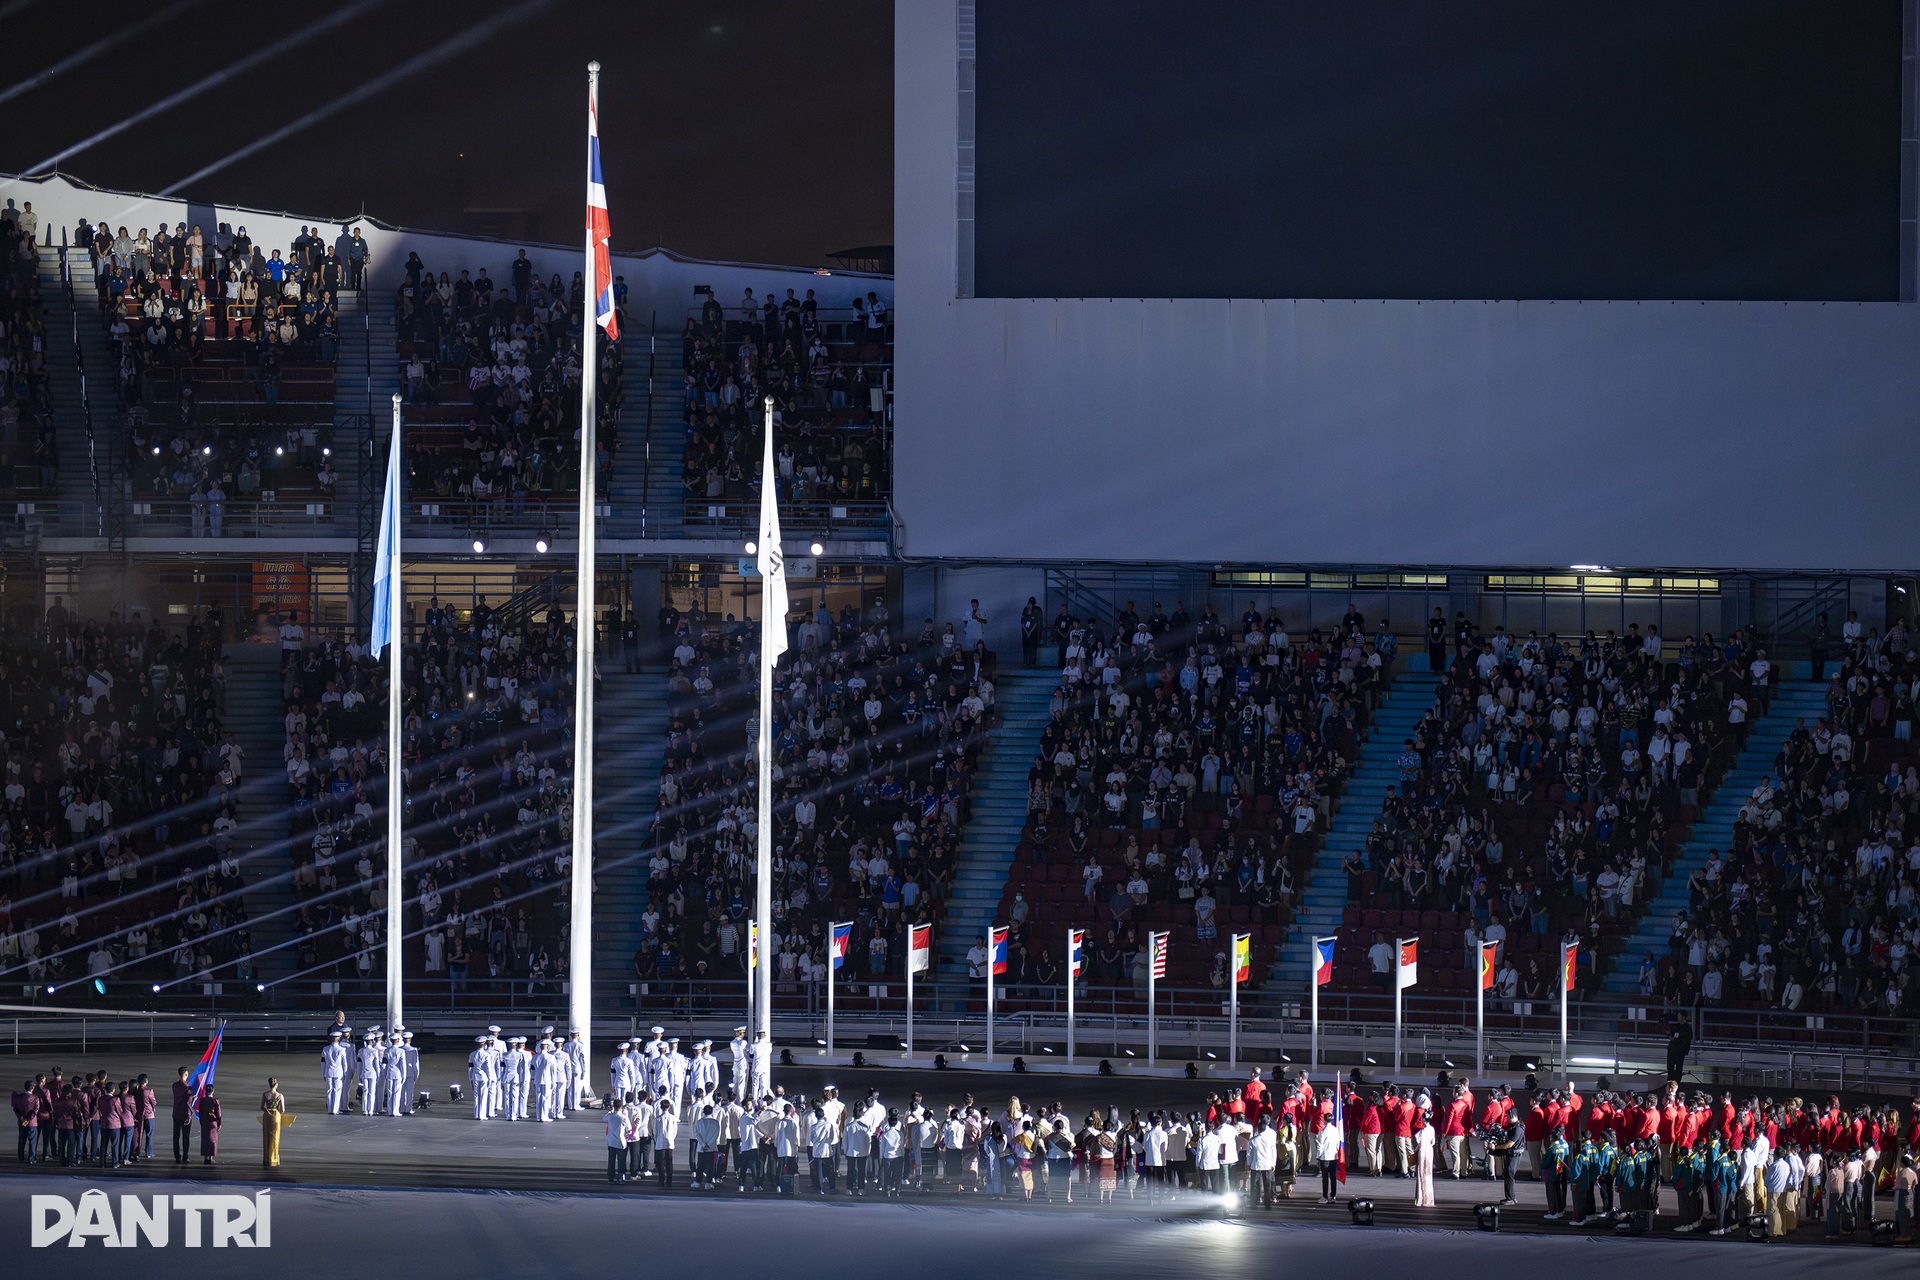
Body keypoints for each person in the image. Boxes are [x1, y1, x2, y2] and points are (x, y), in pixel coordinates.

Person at [259, 1078, 293, 1168]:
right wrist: (277, 1114)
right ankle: (274, 1159)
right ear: (276, 1085)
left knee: (267, 1137)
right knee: (275, 1138)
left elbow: (261, 1107)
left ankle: (267, 1159)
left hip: (267, 1116)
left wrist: (268, 1111)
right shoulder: (280, 1095)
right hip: (276, 1117)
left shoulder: (265, 1094)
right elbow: (283, 1109)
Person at [1313, 1104, 1342, 1203]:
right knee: (1333, 1177)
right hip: (1334, 1156)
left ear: (1324, 1120)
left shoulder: (1322, 1132)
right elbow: (1338, 1142)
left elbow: (1320, 1145)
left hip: (1325, 1156)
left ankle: (1325, 1196)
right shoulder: (1335, 1130)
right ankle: (1333, 1196)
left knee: (1325, 1178)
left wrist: (1318, 1156)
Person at [320, 1031, 349, 1114]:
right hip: (338, 1072)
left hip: (328, 1072)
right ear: (339, 1038)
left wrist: (323, 1073)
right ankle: (335, 1109)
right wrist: (345, 1072)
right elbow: (344, 1063)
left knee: (329, 1090)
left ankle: (330, 1109)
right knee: (337, 1090)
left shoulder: (326, 1049)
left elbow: (323, 1062)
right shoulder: (342, 1049)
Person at [171, 1067, 195, 1164]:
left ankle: (177, 1156)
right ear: (186, 1074)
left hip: (176, 1113)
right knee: (186, 1137)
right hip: (185, 1114)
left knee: (176, 1137)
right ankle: (185, 1156)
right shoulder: (187, 1087)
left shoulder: (175, 1085)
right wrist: (189, 1115)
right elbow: (187, 1103)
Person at [1413, 1110, 1437, 1207]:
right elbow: (1433, 1142)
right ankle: (1429, 1198)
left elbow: (1418, 1142)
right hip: (1429, 1152)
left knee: (1421, 1174)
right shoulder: (1432, 1129)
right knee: (1428, 1175)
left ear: (1423, 1119)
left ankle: (1421, 1198)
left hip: (1423, 1153)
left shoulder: (1421, 1132)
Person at [198, 1087, 222, 1164]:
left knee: (205, 1139)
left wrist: (201, 1121)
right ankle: (211, 1157)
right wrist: (219, 1123)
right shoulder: (215, 1101)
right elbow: (218, 1114)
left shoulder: (202, 1101)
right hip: (212, 1122)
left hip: (205, 1121)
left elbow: (200, 1112)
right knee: (212, 1140)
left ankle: (205, 1156)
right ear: (213, 1091)